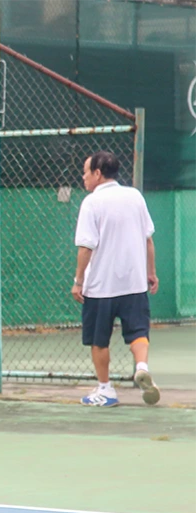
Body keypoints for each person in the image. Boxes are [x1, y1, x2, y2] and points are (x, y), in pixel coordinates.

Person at [72, 151, 160, 407]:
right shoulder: (135, 196)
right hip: (134, 284)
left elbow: (86, 247)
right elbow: (148, 240)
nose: (83, 177)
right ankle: (141, 367)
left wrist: (78, 281)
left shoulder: (91, 202)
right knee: (138, 333)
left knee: (98, 340)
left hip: (100, 288)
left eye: (86, 172)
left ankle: (106, 390)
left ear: (98, 173)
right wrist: (151, 273)